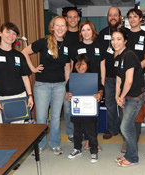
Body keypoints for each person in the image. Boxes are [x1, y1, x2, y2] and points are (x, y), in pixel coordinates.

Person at [22, 16, 70, 155]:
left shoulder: (66, 46)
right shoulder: (44, 42)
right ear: (52, 27)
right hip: (42, 86)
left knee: (55, 117)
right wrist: (32, 68)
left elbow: (67, 67)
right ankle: (41, 143)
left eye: (63, 26)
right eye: (57, 25)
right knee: (42, 117)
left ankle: (55, 143)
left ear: (66, 28)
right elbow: (24, 52)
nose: (60, 28)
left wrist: (66, 85)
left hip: (59, 86)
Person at [120, 8, 145, 153]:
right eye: (130, 17)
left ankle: (135, 140)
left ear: (141, 19)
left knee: (136, 112)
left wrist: (133, 68)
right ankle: (126, 140)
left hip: (138, 77)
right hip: (122, 77)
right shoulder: (123, 34)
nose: (132, 19)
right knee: (123, 109)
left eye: (135, 17)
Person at [112, 28, 145, 167]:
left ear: (125, 40)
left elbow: (129, 80)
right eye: (113, 39)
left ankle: (132, 158)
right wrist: (116, 96)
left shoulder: (129, 55)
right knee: (128, 127)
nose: (115, 42)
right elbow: (119, 79)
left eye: (119, 39)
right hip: (126, 96)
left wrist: (121, 96)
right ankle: (129, 155)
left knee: (125, 127)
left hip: (135, 97)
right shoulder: (117, 57)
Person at [0, 22, 33, 123]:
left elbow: (25, 77)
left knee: (17, 133)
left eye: (14, 33)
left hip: (19, 98)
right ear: (0, 33)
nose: (11, 36)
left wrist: (30, 96)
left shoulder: (19, 56)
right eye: (8, 32)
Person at [73, 20, 105, 151]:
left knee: (94, 116)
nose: (86, 33)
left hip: (95, 85)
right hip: (80, 86)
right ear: (80, 32)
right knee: (83, 115)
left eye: (88, 29)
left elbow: (102, 66)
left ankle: (93, 141)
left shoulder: (99, 46)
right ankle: (87, 141)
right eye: (83, 30)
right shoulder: (76, 47)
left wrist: (102, 86)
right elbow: (73, 67)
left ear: (93, 31)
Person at [67, 54, 103, 163]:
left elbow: (101, 89)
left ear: (87, 65)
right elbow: (68, 91)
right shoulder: (72, 77)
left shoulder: (93, 77)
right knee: (77, 131)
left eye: (83, 64)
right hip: (77, 109)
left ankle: (93, 151)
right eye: (78, 65)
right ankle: (77, 149)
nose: (80, 67)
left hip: (89, 110)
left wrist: (99, 95)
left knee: (91, 132)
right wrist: (68, 95)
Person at [97, 7, 122, 139]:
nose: (113, 17)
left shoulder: (125, 33)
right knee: (110, 104)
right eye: (110, 15)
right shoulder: (102, 34)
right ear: (107, 18)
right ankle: (112, 129)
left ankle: (125, 130)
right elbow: (100, 58)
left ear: (120, 17)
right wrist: (102, 78)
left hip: (123, 77)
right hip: (108, 76)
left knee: (123, 104)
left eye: (115, 15)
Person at [63, 8, 80, 143]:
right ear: (66, 19)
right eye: (70, 17)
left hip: (82, 77)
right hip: (65, 75)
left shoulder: (83, 33)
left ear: (78, 18)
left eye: (75, 17)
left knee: (81, 107)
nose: (73, 19)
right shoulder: (62, 35)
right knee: (68, 108)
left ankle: (82, 132)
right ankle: (70, 132)